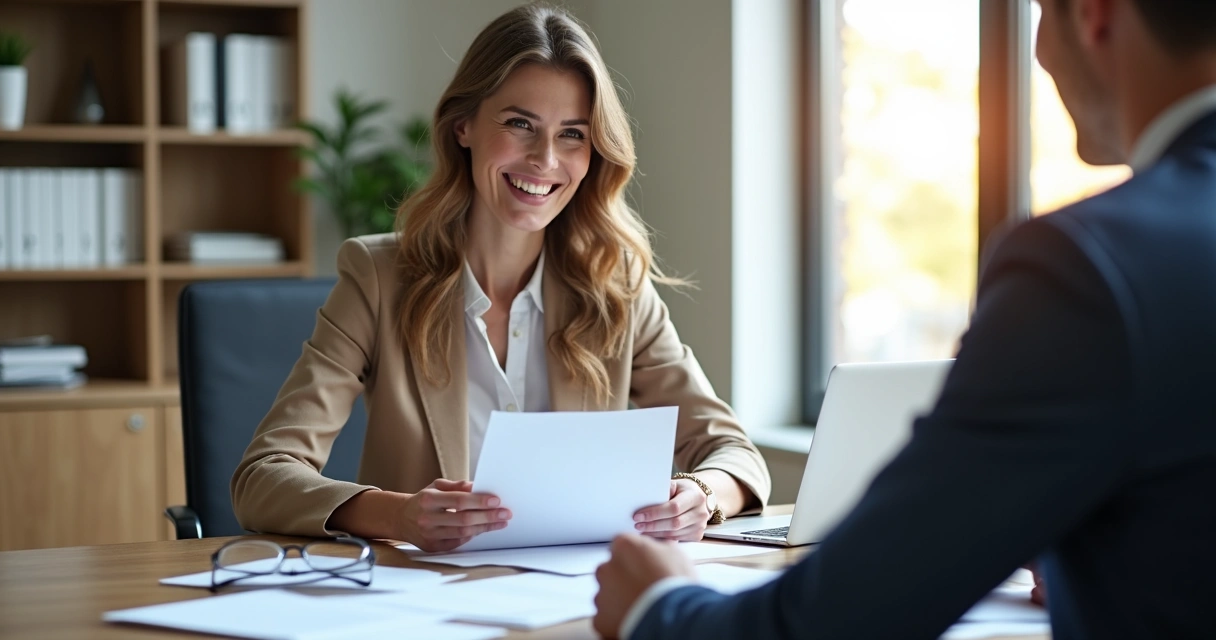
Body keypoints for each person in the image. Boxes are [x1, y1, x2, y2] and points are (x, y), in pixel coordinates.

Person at [593, 0, 1216, 637]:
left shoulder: (1086, 267)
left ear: (1095, 15)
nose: (1037, 54)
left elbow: (839, 619)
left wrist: (659, 609)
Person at [229, 3, 771, 553]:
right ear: (463, 125)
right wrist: (401, 516)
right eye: (520, 124)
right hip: (420, 602)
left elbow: (733, 453)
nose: (544, 160)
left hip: (573, 603)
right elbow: (263, 476)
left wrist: (702, 493)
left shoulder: (617, 285)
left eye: (573, 135)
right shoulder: (378, 278)